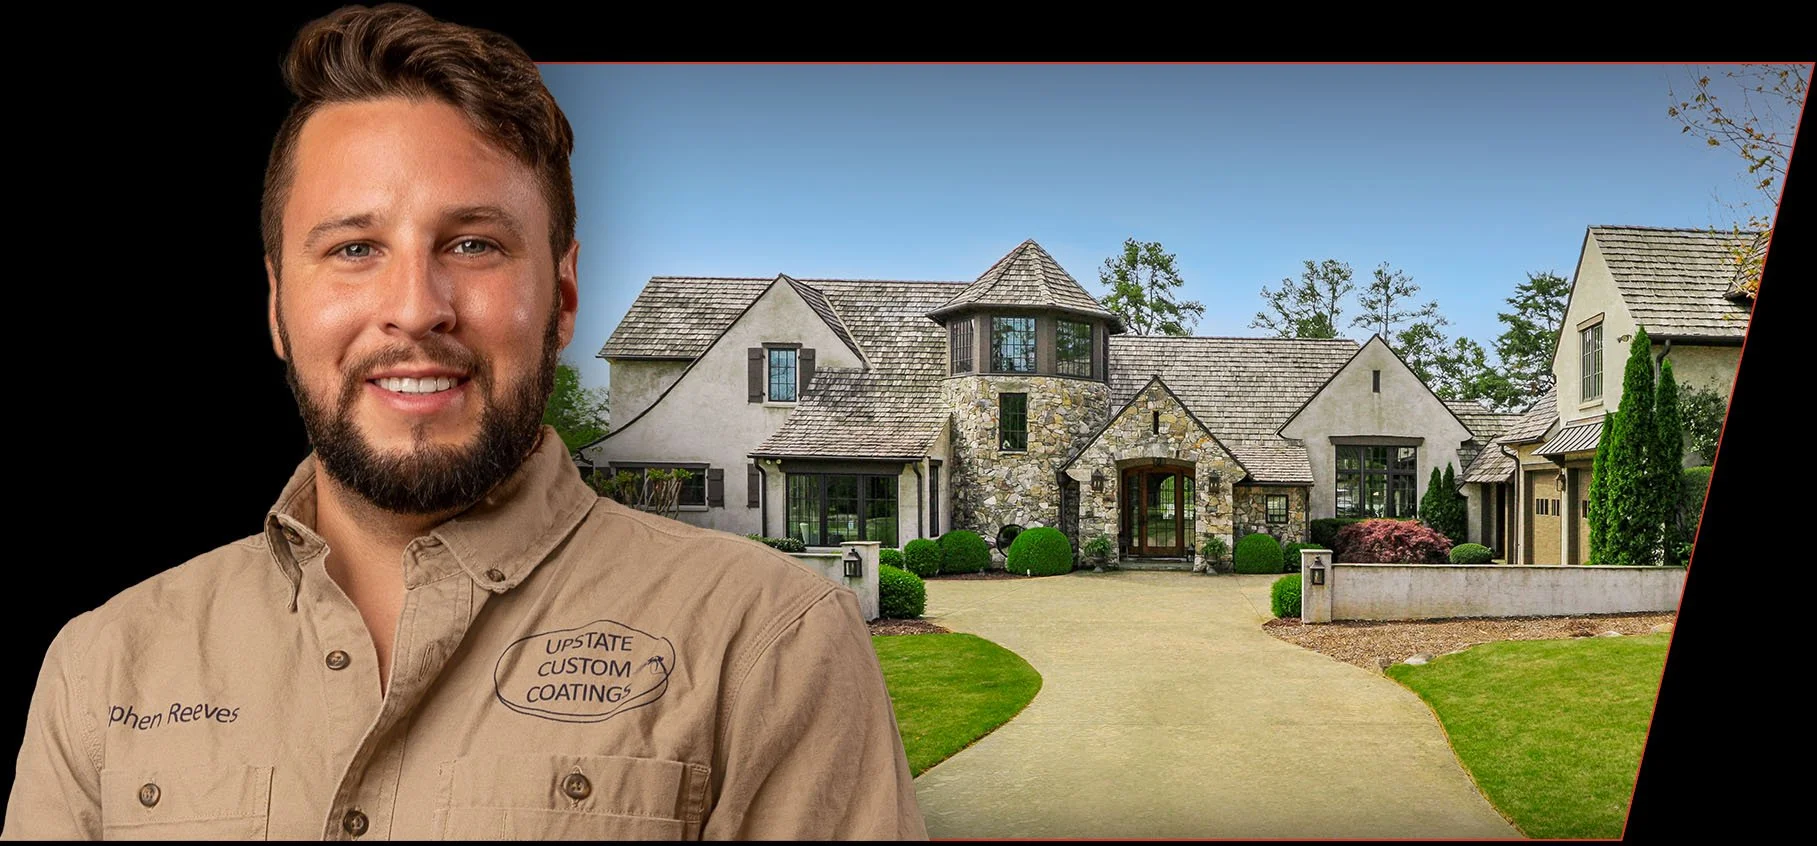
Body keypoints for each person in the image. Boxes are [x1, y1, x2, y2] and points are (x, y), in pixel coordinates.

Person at [1, 4, 926, 840]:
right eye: (354, 247)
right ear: (278, 304)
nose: (415, 307)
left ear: (560, 297)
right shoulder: (106, 664)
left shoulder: (767, 641)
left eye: (473, 244)